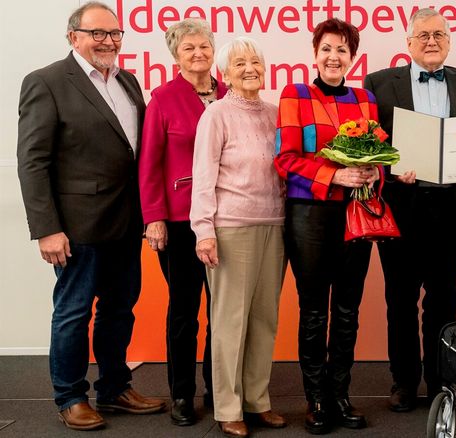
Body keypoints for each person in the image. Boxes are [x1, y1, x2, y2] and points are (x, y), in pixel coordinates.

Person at [16, 1, 164, 430]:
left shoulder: (129, 81)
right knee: (74, 311)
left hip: (125, 220)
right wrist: (47, 229)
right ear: (73, 36)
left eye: (115, 34)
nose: (108, 42)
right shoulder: (46, 82)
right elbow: (32, 160)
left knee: (121, 309)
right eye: (98, 33)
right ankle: (70, 395)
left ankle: (115, 388)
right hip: (76, 225)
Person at [362, 7, 456, 412]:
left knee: (443, 299)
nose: (432, 41)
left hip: (451, 207)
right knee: (399, 298)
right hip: (400, 205)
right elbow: (368, 145)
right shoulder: (379, 83)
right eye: (423, 35)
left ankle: (441, 381)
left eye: (439, 34)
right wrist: (392, 169)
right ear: (408, 43)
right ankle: (404, 382)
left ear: (449, 40)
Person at [273, 18, 378, 434]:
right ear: (314, 54)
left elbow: (378, 155)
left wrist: (373, 174)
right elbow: (285, 159)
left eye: (342, 50)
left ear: (353, 58)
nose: (334, 57)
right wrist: (334, 176)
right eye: (327, 49)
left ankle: (340, 394)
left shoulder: (366, 98)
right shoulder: (295, 94)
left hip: (356, 212)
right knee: (314, 310)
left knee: (348, 310)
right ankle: (316, 399)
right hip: (310, 215)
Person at [190, 37, 286, 438]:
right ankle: (228, 408)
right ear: (225, 73)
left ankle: (257, 400)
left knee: (264, 320)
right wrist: (203, 231)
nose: (250, 68)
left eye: (256, 62)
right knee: (229, 322)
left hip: (274, 225)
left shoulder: (275, 113)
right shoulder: (215, 115)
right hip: (230, 228)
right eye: (240, 63)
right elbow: (203, 177)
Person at [138, 18, 226, 426]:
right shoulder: (163, 100)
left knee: (221, 311)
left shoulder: (229, 93)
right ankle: (181, 394)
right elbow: (149, 164)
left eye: (204, 46)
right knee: (185, 310)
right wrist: (153, 218)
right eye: (189, 48)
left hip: (228, 217)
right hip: (178, 220)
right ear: (175, 55)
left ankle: (216, 386)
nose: (198, 54)